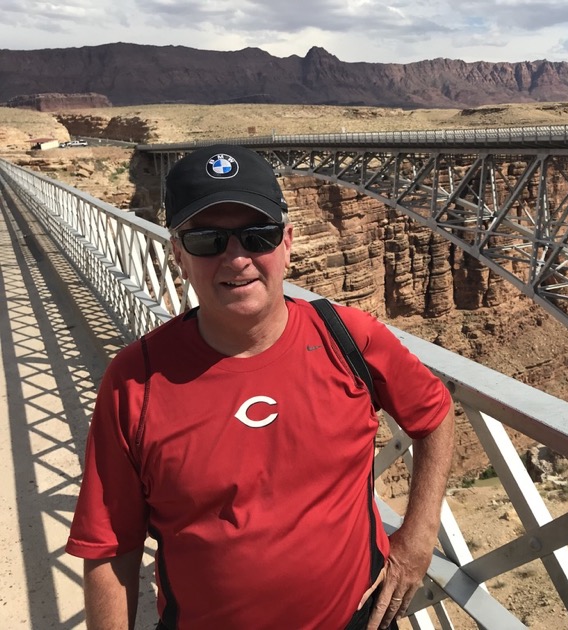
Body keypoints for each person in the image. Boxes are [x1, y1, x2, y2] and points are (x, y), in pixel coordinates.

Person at [66, 144, 455, 630]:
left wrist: (418, 538)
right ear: (178, 256)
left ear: (288, 243)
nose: (236, 258)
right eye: (208, 240)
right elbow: (109, 550)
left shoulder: (351, 338)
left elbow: (436, 416)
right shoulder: (134, 381)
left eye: (258, 236)